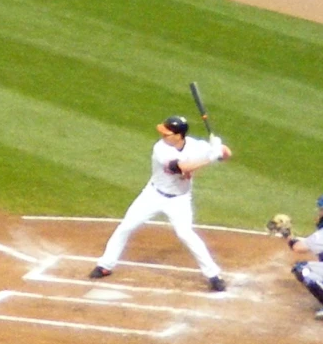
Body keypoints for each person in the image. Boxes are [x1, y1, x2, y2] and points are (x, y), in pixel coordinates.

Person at [89, 114, 230, 290]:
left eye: (167, 133)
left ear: (179, 135)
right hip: (153, 195)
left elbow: (226, 155)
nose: (163, 135)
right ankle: (105, 266)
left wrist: (219, 148)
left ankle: (213, 275)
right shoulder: (161, 149)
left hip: (180, 200)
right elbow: (183, 168)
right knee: (126, 226)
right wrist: (212, 156)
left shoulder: (197, 146)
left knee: (186, 234)